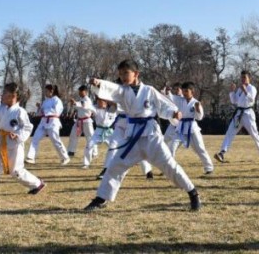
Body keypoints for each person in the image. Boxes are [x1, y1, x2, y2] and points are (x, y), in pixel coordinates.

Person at [83, 59, 200, 212]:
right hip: (132, 137)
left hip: (151, 136)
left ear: (136, 74)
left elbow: (163, 105)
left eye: (126, 73)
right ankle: (101, 198)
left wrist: (173, 112)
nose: (123, 77)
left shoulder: (149, 90)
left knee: (169, 165)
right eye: (120, 74)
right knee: (115, 166)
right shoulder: (123, 91)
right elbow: (112, 89)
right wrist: (100, 84)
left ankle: (192, 192)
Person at [0, 82, 45, 197]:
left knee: (16, 171)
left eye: (4, 93)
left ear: (13, 96)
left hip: (15, 145)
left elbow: (28, 127)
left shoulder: (20, 111)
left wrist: (18, 135)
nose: (1, 95)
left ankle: (37, 184)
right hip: (1, 141)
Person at [214, 70, 259, 163]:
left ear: (249, 78)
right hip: (239, 113)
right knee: (230, 132)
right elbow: (234, 101)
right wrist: (232, 92)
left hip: (248, 113)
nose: (243, 79)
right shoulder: (239, 89)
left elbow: (252, 99)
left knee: (254, 135)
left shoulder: (252, 88)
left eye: (245, 77)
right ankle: (222, 153)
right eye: (242, 77)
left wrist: (245, 91)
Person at [98, 101, 154, 180]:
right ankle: (106, 169)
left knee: (138, 148)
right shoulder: (118, 93)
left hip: (132, 123)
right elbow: (112, 109)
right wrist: (111, 103)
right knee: (113, 146)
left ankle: (148, 171)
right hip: (120, 124)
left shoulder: (136, 93)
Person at [167, 82, 214, 174]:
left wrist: (197, 108)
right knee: (172, 146)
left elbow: (199, 117)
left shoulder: (196, 102)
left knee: (200, 148)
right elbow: (170, 97)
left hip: (192, 128)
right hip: (180, 127)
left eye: (186, 91)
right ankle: (169, 168)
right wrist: (167, 91)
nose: (184, 93)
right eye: (183, 91)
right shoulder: (179, 99)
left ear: (192, 91)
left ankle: (209, 168)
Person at [26, 84, 70, 165]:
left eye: (46, 91)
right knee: (35, 138)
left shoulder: (57, 100)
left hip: (53, 122)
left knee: (56, 141)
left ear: (51, 91)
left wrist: (45, 110)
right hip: (43, 122)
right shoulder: (45, 101)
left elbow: (57, 111)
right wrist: (39, 107)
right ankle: (31, 157)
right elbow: (39, 113)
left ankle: (65, 157)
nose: (45, 92)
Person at [82, 98, 116, 169]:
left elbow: (120, 105)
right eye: (98, 102)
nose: (99, 103)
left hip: (109, 132)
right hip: (98, 131)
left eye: (100, 101)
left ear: (105, 102)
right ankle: (86, 163)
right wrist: (79, 103)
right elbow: (88, 106)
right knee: (89, 145)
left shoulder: (113, 109)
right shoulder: (95, 108)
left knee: (114, 148)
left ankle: (113, 163)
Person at [67, 85, 96, 158]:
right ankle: (71, 151)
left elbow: (83, 105)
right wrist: (73, 104)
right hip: (79, 121)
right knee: (73, 135)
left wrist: (75, 103)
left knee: (90, 137)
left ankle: (94, 152)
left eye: (81, 91)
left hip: (87, 121)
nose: (79, 93)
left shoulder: (88, 100)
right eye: (79, 91)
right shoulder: (80, 99)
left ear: (85, 92)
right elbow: (78, 106)